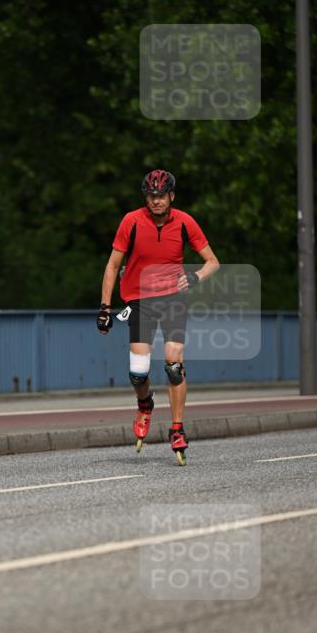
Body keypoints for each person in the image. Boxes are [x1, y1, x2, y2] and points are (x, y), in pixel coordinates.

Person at [97, 169, 220, 465]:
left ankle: (177, 429)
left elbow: (212, 262)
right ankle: (145, 403)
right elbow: (112, 265)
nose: (156, 201)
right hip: (140, 300)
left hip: (173, 299)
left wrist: (195, 277)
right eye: (151, 196)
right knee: (138, 373)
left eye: (162, 195)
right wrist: (104, 307)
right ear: (146, 198)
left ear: (171, 196)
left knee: (174, 366)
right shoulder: (131, 221)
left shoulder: (185, 222)